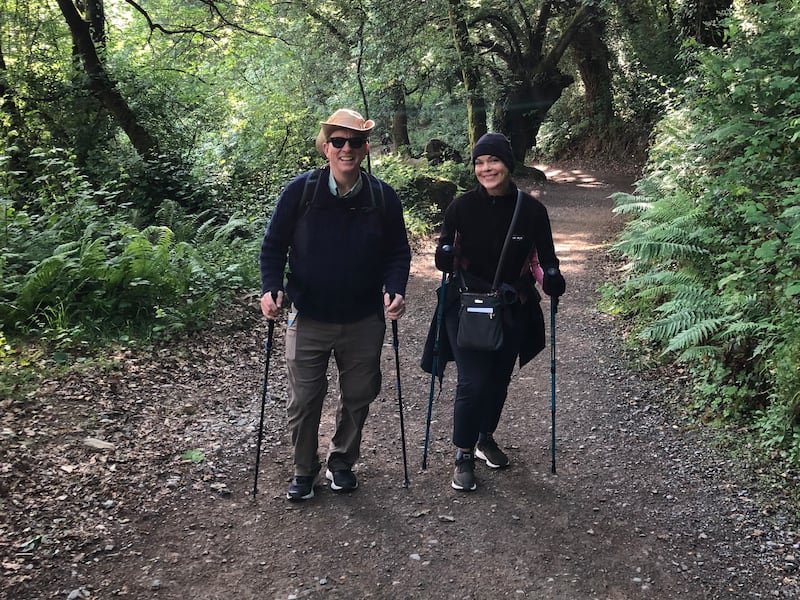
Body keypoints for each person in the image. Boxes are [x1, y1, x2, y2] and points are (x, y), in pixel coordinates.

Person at [259, 108, 412, 501]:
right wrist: (271, 288)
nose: (347, 149)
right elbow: (274, 246)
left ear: (364, 149)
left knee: (360, 393)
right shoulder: (301, 192)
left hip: (364, 317)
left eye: (355, 142)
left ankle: (341, 462)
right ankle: (303, 469)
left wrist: (395, 287)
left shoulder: (382, 197)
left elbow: (398, 251)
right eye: (339, 141)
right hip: (308, 314)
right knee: (304, 399)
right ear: (326, 147)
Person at [421, 132, 565, 491]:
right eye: (479, 163)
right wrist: (442, 256)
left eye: (493, 161)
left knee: (499, 379)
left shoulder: (532, 211)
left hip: (510, 306)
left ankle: (485, 437)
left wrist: (551, 277)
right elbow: (446, 248)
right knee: (472, 381)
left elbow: (545, 260)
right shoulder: (460, 207)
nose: (486, 169)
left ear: (507, 165)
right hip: (466, 304)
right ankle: (464, 452)